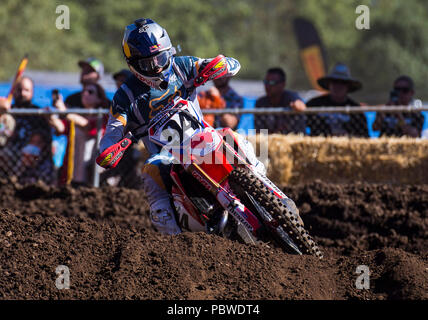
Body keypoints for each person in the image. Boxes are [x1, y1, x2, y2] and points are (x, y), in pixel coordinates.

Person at [96, 18, 264, 235]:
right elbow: (112, 130)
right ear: (134, 63)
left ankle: (262, 183)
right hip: (167, 156)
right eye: (148, 64)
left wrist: (219, 66)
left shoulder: (181, 65)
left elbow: (228, 64)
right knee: (151, 171)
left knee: (232, 137)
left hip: (204, 137)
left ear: (169, 52)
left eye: (161, 58)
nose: (157, 66)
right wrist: (108, 149)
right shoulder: (125, 95)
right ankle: (175, 241)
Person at [55, 82, 109, 186]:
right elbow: (61, 128)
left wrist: (64, 111)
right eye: (83, 91)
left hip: (91, 173)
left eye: (90, 92)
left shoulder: (102, 117)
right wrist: (50, 116)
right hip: (72, 170)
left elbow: (88, 126)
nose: (85, 93)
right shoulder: (74, 115)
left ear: (99, 98)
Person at [4, 76, 55, 181]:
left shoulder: (38, 113)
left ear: (32, 92)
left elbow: (41, 138)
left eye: (26, 90)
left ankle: (13, 179)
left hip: (33, 157)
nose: (22, 93)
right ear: (13, 91)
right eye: (19, 89)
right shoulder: (7, 112)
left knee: (30, 151)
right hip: (11, 154)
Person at [306, 63, 369, 137]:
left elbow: (364, 136)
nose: (338, 86)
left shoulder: (355, 110)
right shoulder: (314, 104)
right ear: (329, 84)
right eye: (335, 82)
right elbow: (300, 123)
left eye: (342, 83)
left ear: (348, 86)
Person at [254, 67, 306, 134]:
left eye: (272, 82)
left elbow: (301, 106)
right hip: (270, 143)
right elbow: (260, 134)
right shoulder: (260, 103)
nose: (268, 86)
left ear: (283, 84)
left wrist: (296, 104)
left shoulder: (290, 97)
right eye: (266, 82)